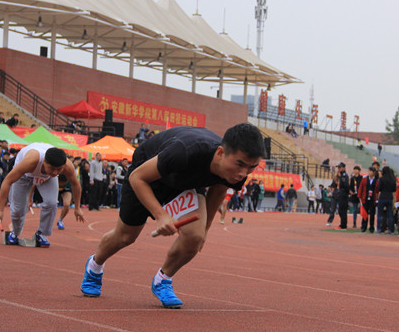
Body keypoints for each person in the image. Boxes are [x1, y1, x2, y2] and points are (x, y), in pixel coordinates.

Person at [79, 123, 265, 309]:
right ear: (220, 153)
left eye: (252, 167)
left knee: (195, 236)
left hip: (183, 184)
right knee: (125, 236)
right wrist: (160, 216)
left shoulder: (237, 170)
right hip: (147, 177)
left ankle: (163, 279)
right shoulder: (184, 150)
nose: (243, 173)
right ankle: (95, 266)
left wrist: (205, 229)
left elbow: (219, 190)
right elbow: (137, 178)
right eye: (240, 164)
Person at [0, 143, 85, 247]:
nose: (55, 173)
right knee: (18, 209)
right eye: (52, 168)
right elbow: (7, 181)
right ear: (44, 162)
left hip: (46, 177)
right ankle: (15, 232)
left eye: (59, 170)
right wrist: (0, 209)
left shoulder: (67, 166)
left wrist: (77, 208)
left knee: (51, 203)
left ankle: (42, 234)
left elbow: (76, 184)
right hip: (24, 175)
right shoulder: (30, 161)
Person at [358, 166, 379, 233]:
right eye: (368, 171)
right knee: (365, 213)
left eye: (370, 171)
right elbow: (361, 187)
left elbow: (377, 190)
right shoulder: (364, 179)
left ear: (373, 172)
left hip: (373, 199)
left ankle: (371, 227)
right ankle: (364, 227)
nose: (369, 172)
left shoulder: (376, 181)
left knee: (372, 214)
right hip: (365, 198)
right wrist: (360, 196)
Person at [377, 166, 396, 234]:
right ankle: (390, 229)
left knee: (380, 214)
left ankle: (379, 229)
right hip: (389, 197)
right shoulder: (392, 179)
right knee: (390, 214)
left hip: (382, 196)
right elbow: (394, 189)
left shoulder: (382, 179)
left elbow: (379, 188)